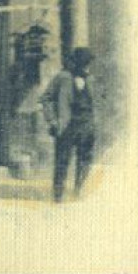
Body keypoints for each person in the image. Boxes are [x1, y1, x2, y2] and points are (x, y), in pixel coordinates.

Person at [41, 47, 97, 202]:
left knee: (85, 160)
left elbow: (98, 102)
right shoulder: (62, 78)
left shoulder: (91, 79)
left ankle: (78, 191)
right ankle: (57, 197)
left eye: (88, 63)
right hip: (67, 126)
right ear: (76, 63)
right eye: (85, 63)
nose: (87, 67)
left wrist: (94, 122)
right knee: (62, 162)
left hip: (87, 125)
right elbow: (45, 98)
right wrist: (52, 120)